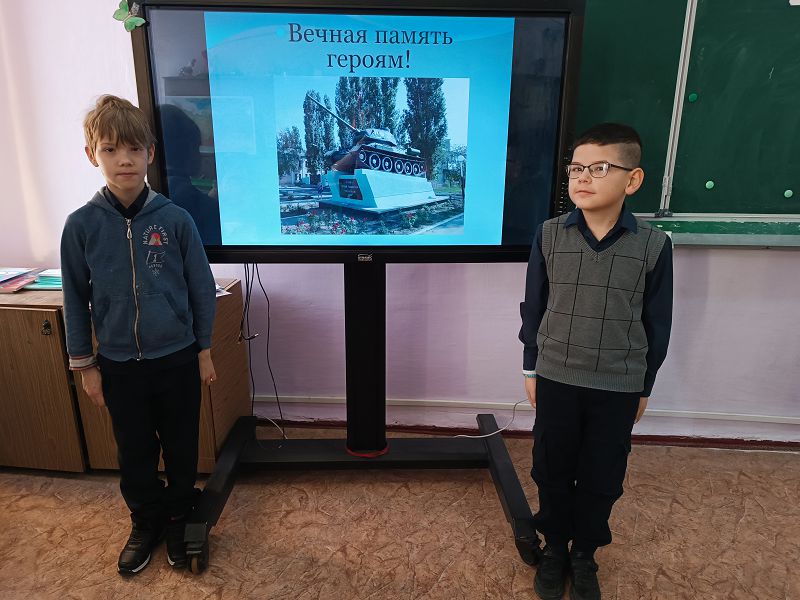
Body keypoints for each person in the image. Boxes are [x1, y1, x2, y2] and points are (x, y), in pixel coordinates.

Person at [60, 95, 217, 575]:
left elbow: (201, 289)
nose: (123, 160)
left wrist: (204, 350)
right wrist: (85, 365)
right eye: (110, 149)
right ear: (92, 155)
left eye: (133, 149)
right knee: (135, 451)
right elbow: (74, 298)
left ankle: (178, 517)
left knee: (182, 445)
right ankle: (145, 521)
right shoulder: (80, 226)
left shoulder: (176, 219)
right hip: (119, 364)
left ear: (150, 152)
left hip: (177, 358)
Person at [519, 123, 673, 600]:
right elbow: (533, 307)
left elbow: (657, 322)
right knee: (551, 467)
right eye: (576, 168)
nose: (583, 178)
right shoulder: (549, 235)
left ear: (633, 179)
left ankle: (584, 552)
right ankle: (554, 548)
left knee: (603, 473)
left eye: (600, 168)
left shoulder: (654, 245)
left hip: (618, 384)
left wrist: (645, 385)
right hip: (556, 376)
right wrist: (530, 366)